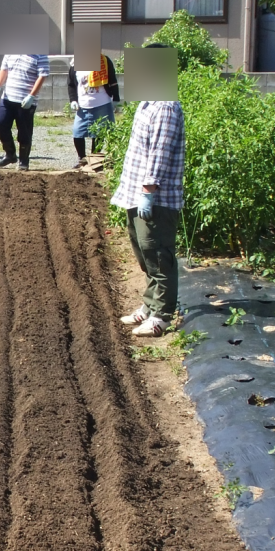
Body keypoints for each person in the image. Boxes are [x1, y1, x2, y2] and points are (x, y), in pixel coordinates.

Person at [110, 44, 186, 338]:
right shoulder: (148, 103)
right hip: (135, 194)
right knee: (144, 253)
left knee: (158, 255)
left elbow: (160, 152)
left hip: (156, 198)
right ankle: (149, 305)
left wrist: (149, 190)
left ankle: (162, 316)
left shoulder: (165, 106)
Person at [0, 54, 49, 170]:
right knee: (0, 123)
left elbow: (42, 76)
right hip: (7, 98)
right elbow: (4, 70)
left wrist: (31, 96)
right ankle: (10, 154)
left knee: (24, 132)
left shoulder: (40, 55)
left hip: (26, 100)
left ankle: (24, 160)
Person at [67, 53, 120, 168]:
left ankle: (94, 159)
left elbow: (113, 80)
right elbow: (71, 84)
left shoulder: (104, 61)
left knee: (99, 133)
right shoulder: (75, 64)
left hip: (102, 103)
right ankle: (82, 159)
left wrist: (115, 98)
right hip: (83, 105)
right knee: (78, 132)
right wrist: (73, 100)